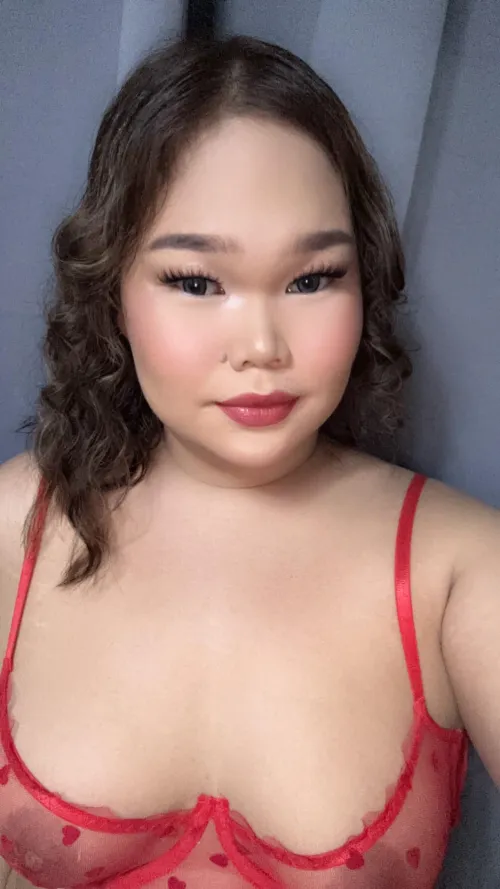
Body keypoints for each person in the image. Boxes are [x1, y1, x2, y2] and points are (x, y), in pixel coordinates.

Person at [0, 34, 498, 889]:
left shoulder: (461, 570)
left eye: (312, 278)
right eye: (197, 282)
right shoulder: (11, 531)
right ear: (111, 289)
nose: (262, 346)